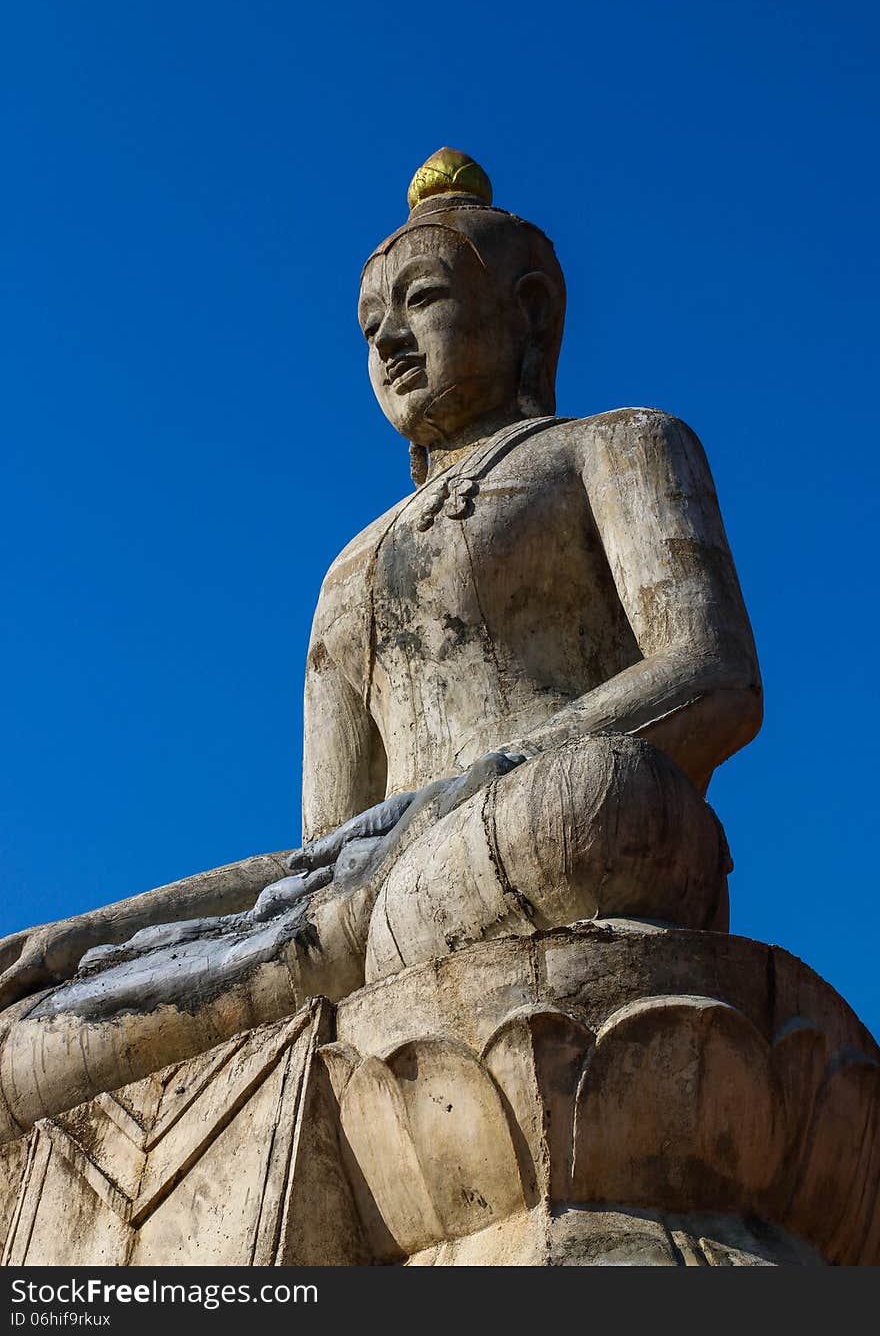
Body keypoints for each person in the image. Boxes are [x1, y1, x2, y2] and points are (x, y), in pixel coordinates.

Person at [0, 149, 761, 1054]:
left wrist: (464, 793)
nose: (391, 343)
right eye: (370, 329)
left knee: (606, 799)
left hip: (538, 832)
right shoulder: (347, 574)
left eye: (424, 300)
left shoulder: (617, 447)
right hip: (371, 901)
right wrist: (92, 936)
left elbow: (713, 675)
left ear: (530, 309)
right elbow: (319, 859)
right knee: (38, 1023)